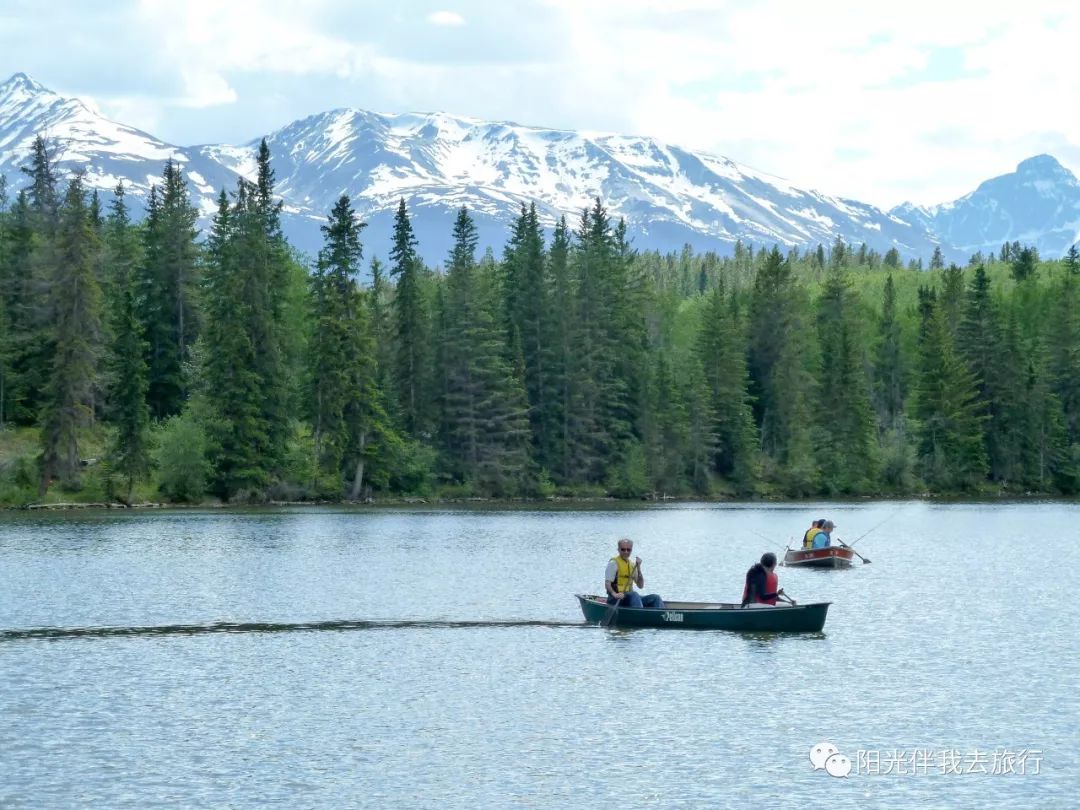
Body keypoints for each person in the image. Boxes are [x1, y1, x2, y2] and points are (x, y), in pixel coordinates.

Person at [605, 538, 664, 609]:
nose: (626, 552)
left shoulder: (632, 565)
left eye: (628, 549)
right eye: (623, 549)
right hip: (615, 599)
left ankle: (660, 617)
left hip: (630, 598)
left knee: (655, 598)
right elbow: (607, 584)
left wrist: (638, 568)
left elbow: (640, 585)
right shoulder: (613, 563)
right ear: (618, 550)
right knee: (634, 595)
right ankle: (640, 616)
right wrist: (614, 594)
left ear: (631, 550)